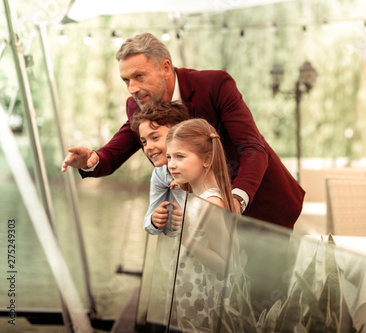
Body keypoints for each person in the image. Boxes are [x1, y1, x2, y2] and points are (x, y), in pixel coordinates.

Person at [61, 32, 304, 228]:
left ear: (165, 68)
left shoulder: (215, 85)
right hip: (198, 219)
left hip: (259, 205)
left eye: (138, 76)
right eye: (126, 80)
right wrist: (92, 159)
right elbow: (114, 153)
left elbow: (252, 147)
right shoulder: (136, 105)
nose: (132, 88)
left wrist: (236, 202)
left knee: (262, 289)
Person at [164, 118, 239, 329]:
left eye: (180, 156)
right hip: (192, 296)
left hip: (205, 305)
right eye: (169, 156)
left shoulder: (210, 204)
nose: (171, 164)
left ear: (206, 160)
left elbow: (226, 264)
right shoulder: (196, 196)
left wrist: (186, 238)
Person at [129, 101, 188, 235]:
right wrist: (154, 220)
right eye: (144, 142)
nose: (148, 147)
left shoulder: (200, 169)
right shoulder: (160, 173)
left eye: (155, 137)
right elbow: (162, 228)